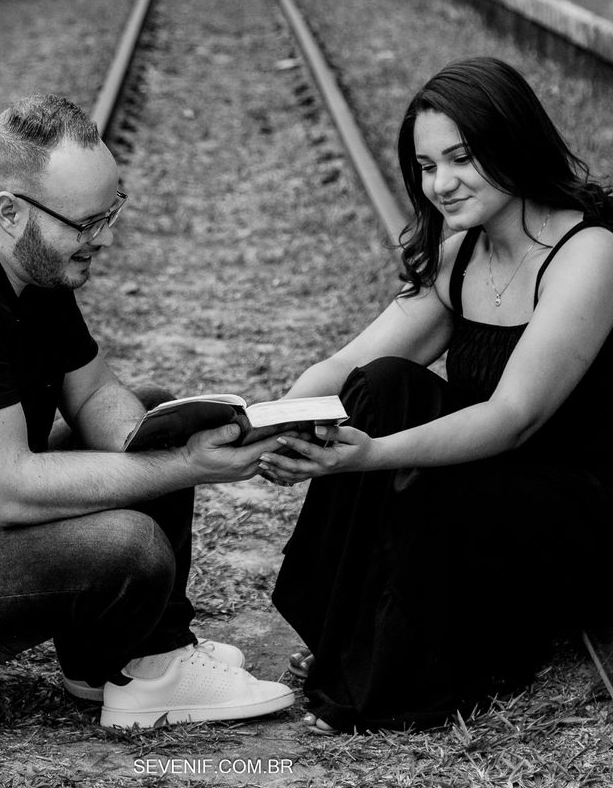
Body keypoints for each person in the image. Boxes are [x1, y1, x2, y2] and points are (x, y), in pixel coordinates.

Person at [0, 94, 295, 729]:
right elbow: (12, 491)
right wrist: (182, 466)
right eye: (88, 224)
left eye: (110, 214)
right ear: (11, 210)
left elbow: (95, 394)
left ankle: (114, 662)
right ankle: (150, 680)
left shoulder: (26, 264)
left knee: (152, 412)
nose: (107, 238)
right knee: (128, 545)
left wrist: (160, 437)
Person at [258, 57, 613, 734]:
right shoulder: (463, 255)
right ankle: (344, 635)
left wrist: (373, 455)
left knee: (412, 462)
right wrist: (274, 420)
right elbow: (350, 362)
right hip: (502, 487)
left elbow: (513, 418)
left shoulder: (589, 252)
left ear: (513, 140)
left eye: (461, 158)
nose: (441, 184)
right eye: (426, 166)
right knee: (384, 383)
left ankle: (403, 678)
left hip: (581, 508)